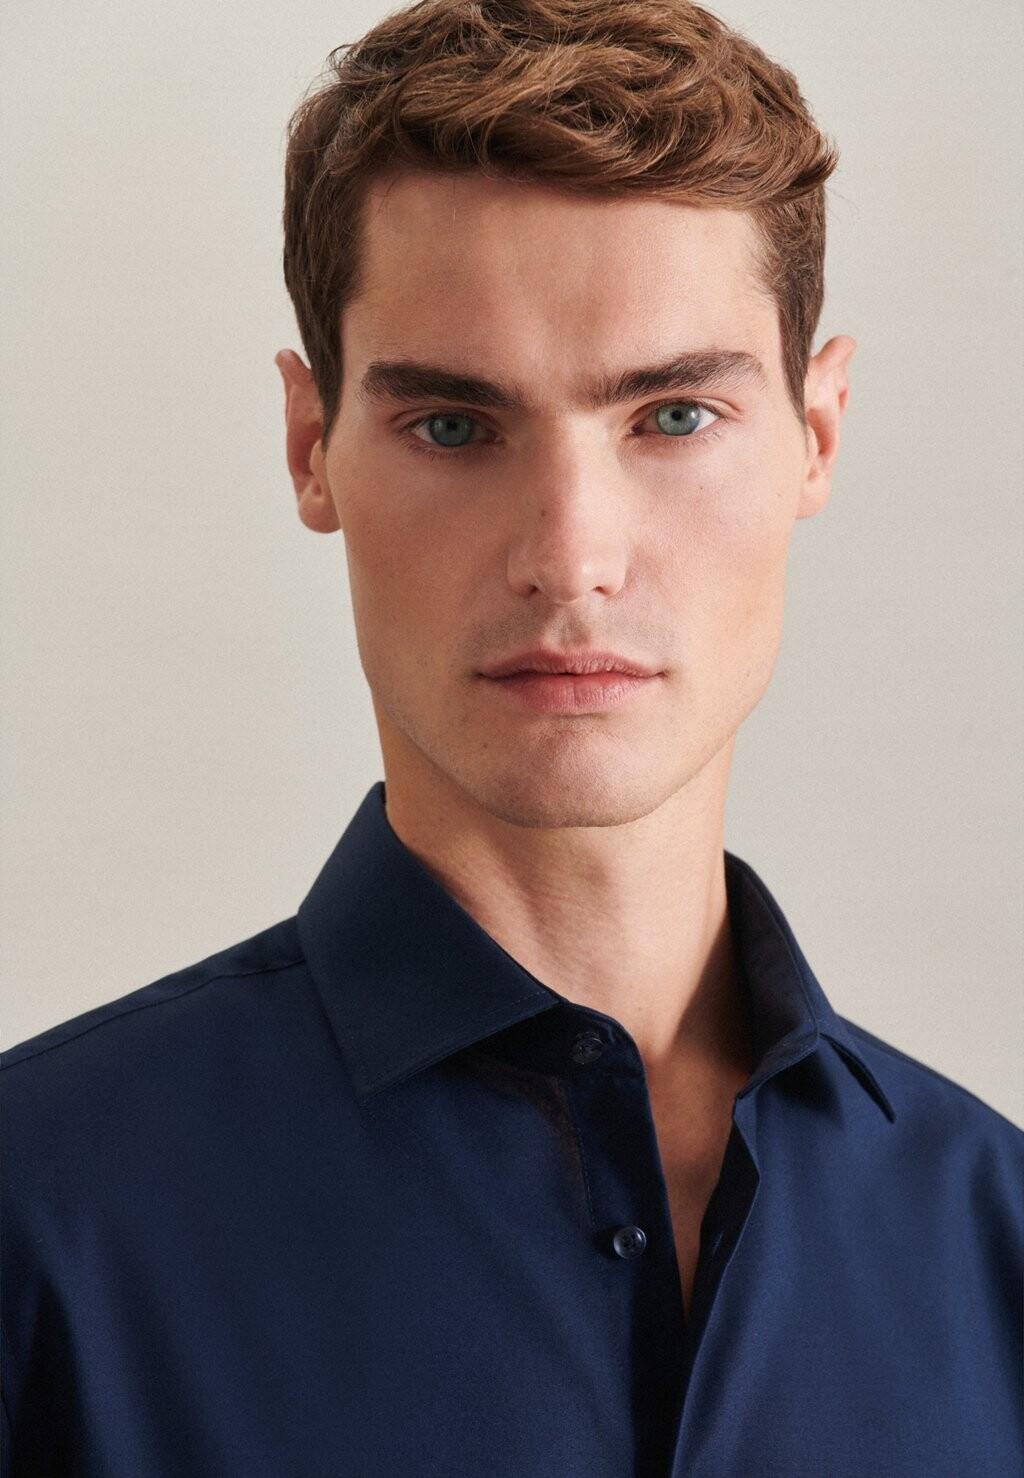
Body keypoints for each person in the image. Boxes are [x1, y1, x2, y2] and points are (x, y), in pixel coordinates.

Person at [3, 1, 1021, 1474]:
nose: (570, 558)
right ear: (310, 446)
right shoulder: (38, 1218)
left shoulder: (997, 1239)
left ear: (819, 429)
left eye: (674, 417)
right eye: (455, 427)